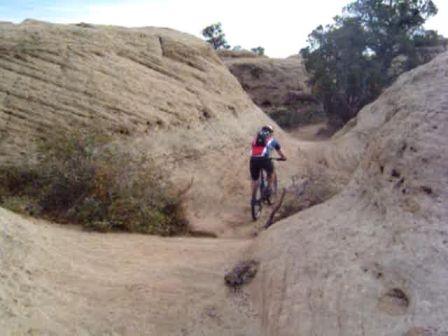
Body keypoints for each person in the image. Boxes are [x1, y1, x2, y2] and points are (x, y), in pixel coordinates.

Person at [250, 125, 286, 204]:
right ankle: (269, 189)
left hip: (253, 159)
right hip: (264, 159)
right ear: (271, 133)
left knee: (255, 179)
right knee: (271, 172)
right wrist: (283, 157)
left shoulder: (255, 139)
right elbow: (280, 153)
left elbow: (253, 148)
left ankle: (253, 199)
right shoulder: (272, 140)